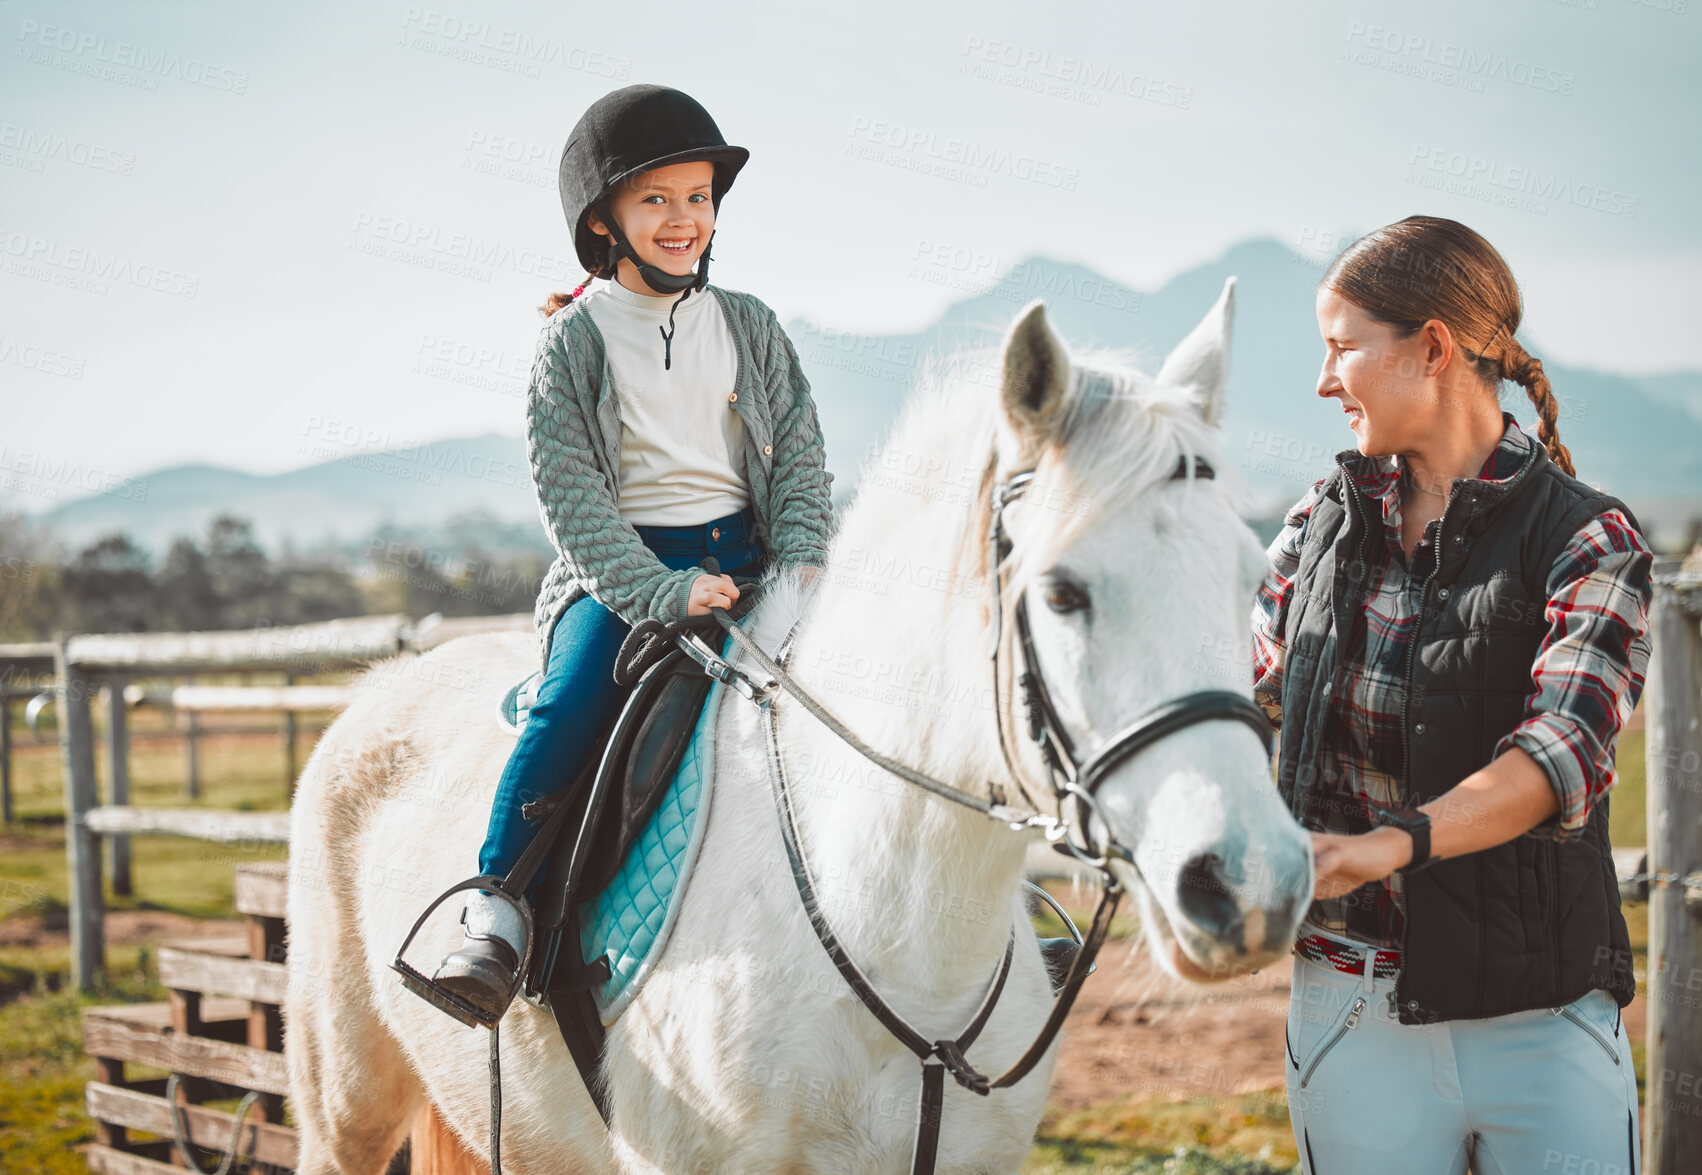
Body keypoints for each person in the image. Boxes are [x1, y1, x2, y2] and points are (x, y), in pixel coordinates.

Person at [1252, 216, 1651, 1173]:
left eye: (1343, 347)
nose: (1322, 379)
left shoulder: (1589, 538)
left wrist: (1387, 845)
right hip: (1346, 1005)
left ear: (1432, 348)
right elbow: (1244, 701)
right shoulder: (1315, 526)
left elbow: (1558, 758)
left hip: (1542, 1018)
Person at [430, 84, 835, 1018]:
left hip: (755, 559)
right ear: (604, 220)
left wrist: (804, 558)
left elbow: (802, 457)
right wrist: (662, 592)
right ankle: (494, 911)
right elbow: (572, 500)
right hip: (618, 573)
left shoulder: (751, 324)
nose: (682, 219)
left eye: (696, 198)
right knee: (568, 702)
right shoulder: (570, 343)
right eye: (655, 199)